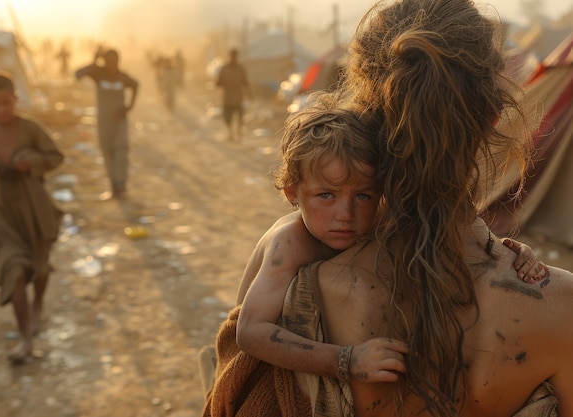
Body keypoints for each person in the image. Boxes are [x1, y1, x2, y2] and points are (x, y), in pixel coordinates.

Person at [243, 0, 573, 415]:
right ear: (492, 116)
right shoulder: (561, 305)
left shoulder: (292, 278)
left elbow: (233, 389)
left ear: (364, 116)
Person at [203, 89, 548, 414]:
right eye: (326, 195)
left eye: (363, 195)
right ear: (293, 193)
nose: (346, 214)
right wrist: (346, 361)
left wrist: (511, 254)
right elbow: (250, 332)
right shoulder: (289, 242)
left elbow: (453, 239)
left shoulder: (373, 222)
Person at [0, 71, 64, 365]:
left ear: (15, 100)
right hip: (2, 216)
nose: (2, 109)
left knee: (40, 268)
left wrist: (31, 162)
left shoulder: (31, 129)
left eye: (7, 102)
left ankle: (39, 303)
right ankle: (24, 338)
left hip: (36, 212)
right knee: (15, 271)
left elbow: (56, 157)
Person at [75, 47, 139, 198]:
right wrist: (93, 61)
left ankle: (121, 184)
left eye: (114, 61)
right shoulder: (98, 74)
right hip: (104, 120)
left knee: (121, 151)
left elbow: (136, 85)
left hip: (119, 121)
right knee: (107, 151)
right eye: (108, 61)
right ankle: (113, 185)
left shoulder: (122, 77)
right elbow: (77, 74)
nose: (112, 64)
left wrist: (130, 106)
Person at [215, 48, 253, 142]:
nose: (234, 58)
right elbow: (218, 83)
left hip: (238, 98)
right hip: (227, 98)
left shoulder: (240, 68)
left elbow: (245, 82)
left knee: (239, 118)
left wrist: (250, 93)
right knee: (227, 118)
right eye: (232, 56)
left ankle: (238, 135)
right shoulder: (224, 68)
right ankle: (230, 134)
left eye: (235, 56)